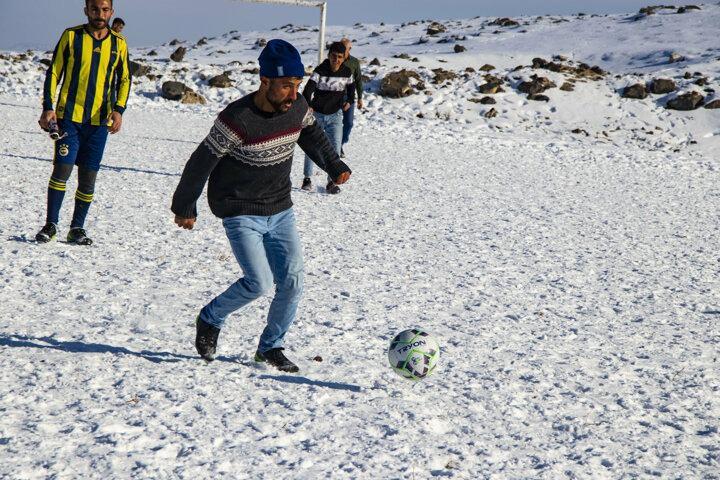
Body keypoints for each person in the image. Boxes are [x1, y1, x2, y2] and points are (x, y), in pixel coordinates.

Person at [171, 39, 351, 372]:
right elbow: (201, 161)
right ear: (264, 81)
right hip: (240, 208)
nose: (294, 93)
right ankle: (210, 317)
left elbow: (311, 135)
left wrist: (334, 165)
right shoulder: (237, 118)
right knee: (259, 282)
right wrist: (185, 205)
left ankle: (270, 347)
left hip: (280, 208)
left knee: (293, 282)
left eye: (297, 84)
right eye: (286, 86)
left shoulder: (297, 107)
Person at [36, 0, 131, 245]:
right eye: (95, 9)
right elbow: (54, 72)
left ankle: (77, 228)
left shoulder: (119, 44)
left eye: (105, 10)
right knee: (62, 170)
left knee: (88, 178)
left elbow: (124, 79)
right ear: (86, 10)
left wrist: (119, 110)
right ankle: (51, 224)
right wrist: (48, 107)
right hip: (69, 118)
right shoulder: (71, 36)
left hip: (99, 123)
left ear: (111, 12)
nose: (100, 14)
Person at [300, 41, 354, 194]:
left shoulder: (347, 72)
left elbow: (351, 90)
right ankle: (307, 178)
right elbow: (308, 90)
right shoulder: (320, 71)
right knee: (312, 147)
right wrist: (308, 105)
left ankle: (331, 182)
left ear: (344, 58)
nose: (336, 60)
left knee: (335, 149)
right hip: (317, 114)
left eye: (339, 57)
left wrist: (349, 101)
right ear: (329, 55)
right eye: (333, 56)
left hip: (335, 115)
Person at [339, 38, 363, 158]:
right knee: (333, 123)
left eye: (345, 48)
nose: (342, 50)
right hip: (335, 96)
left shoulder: (354, 62)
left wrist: (360, 98)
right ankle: (335, 146)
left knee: (348, 123)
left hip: (349, 96)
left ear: (349, 49)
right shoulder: (335, 59)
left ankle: (340, 144)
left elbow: (358, 80)